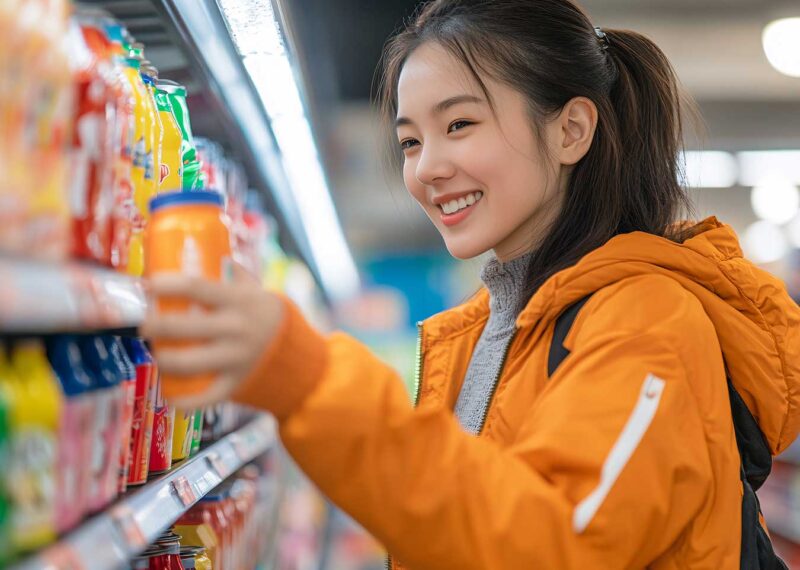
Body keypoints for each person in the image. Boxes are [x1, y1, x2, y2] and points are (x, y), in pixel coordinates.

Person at [141, 0, 800, 568]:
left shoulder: (646, 322)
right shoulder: (494, 325)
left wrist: (308, 379)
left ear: (570, 130)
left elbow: (552, 545)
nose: (428, 168)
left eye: (459, 124)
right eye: (408, 141)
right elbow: (465, 515)